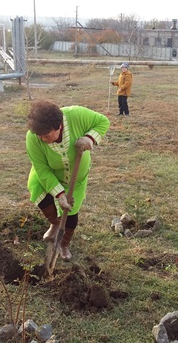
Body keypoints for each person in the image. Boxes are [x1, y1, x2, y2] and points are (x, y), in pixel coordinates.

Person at [26, 100, 110, 259]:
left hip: (75, 177)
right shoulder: (33, 138)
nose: (43, 139)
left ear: (58, 126)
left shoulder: (76, 115)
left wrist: (89, 138)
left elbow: (103, 121)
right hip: (49, 173)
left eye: (46, 135)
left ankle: (63, 244)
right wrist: (59, 195)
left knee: (71, 210)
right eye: (39, 136)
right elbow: (42, 170)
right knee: (37, 188)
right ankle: (56, 223)